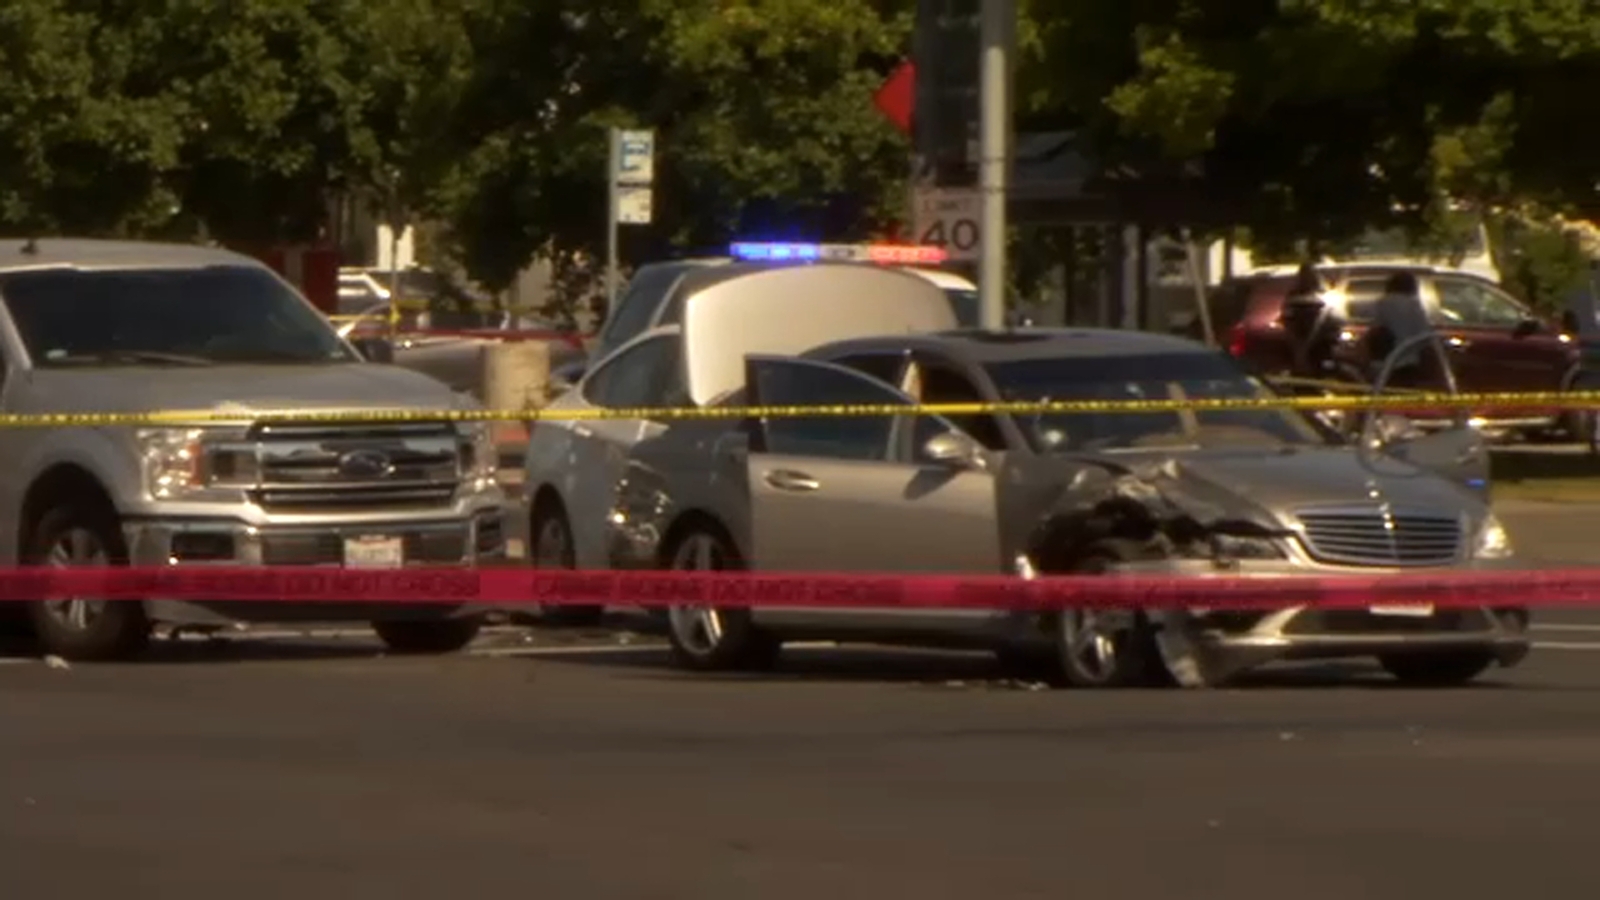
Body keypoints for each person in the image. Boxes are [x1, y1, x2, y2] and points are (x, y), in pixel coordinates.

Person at [1278, 262, 1344, 381]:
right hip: (1301, 340)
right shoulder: (1294, 295)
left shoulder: (1324, 296)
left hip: (1321, 341)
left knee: (1326, 371)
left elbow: (1336, 317)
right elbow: (1287, 318)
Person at [1369, 271, 1433, 387]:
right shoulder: (1414, 305)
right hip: (1409, 359)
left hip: (1386, 359)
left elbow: (1376, 328)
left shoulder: (1382, 303)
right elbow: (1425, 334)